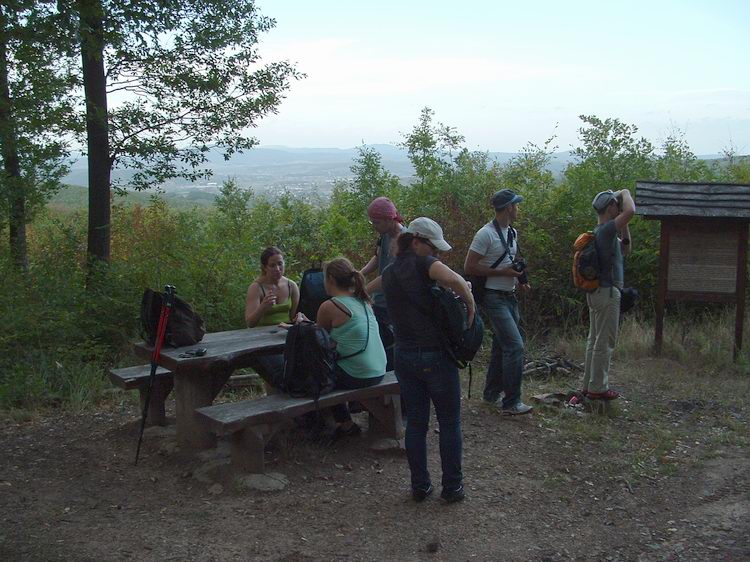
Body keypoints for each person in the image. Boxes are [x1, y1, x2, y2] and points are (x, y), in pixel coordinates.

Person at [381, 217, 475, 504]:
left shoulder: (390, 271)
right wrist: (470, 306)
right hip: (435, 355)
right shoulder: (426, 265)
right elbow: (456, 280)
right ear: (418, 242)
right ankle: (452, 487)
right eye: (434, 248)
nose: (438, 255)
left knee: (417, 425)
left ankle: (420, 486)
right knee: (449, 422)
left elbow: (373, 288)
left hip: (404, 355)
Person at [464, 188, 534, 416]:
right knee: (515, 346)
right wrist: (502, 272)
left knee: (501, 346)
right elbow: (469, 267)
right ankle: (512, 402)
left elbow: (512, 261)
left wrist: (520, 279)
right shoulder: (485, 234)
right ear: (508, 208)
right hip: (493, 297)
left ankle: (491, 394)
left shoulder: (511, 232)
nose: (518, 209)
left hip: (509, 296)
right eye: (516, 205)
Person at [308, 257, 387, 439]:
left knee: (319, 372)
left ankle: (344, 424)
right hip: (379, 369)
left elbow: (319, 341)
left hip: (358, 375)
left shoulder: (330, 306)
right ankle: (342, 422)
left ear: (331, 280)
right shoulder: (364, 301)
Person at [582, 189, 635, 400]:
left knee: (594, 340)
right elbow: (631, 210)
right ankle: (598, 388)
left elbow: (626, 250)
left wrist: (624, 225)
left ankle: (589, 385)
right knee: (604, 341)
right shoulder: (605, 231)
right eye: (616, 205)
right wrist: (625, 193)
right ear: (611, 207)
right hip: (607, 293)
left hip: (598, 293)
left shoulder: (603, 232)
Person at [244, 247, 300, 388]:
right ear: (264, 267)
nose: (277, 268)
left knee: (303, 366)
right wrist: (263, 306)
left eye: (280, 264)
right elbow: (250, 322)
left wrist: (299, 319)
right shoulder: (256, 288)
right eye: (272, 265)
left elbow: (293, 317)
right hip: (261, 340)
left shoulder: (291, 285)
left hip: (285, 336)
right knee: (282, 373)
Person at [360, 197, 405, 370]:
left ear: (389, 219)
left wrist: (362, 291)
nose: (374, 226)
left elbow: (388, 275)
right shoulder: (384, 235)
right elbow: (378, 257)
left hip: (393, 303)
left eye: (376, 222)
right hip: (379, 301)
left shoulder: (402, 241)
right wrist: (360, 273)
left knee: (390, 347)